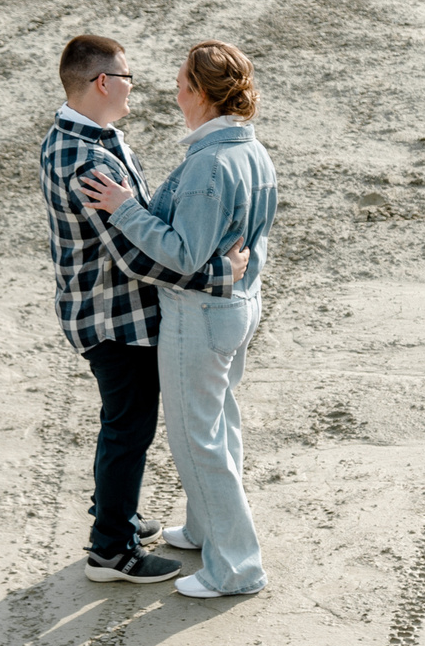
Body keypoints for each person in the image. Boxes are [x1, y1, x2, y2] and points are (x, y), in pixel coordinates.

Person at [38, 34, 247, 585]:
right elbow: (132, 257)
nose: (135, 87)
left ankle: (118, 517)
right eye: (127, 77)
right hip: (113, 316)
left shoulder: (86, 138)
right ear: (103, 82)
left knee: (126, 424)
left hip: (106, 308)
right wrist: (216, 275)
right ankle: (111, 550)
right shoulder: (88, 160)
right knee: (128, 428)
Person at [77, 40, 277, 598]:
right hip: (239, 306)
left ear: (201, 94)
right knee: (221, 426)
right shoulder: (250, 150)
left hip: (200, 315)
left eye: (182, 83)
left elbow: (183, 253)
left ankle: (235, 568)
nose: (174, 91)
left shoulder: (208, 165)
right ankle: (201, 529)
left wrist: (124, 209)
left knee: (198, 442)